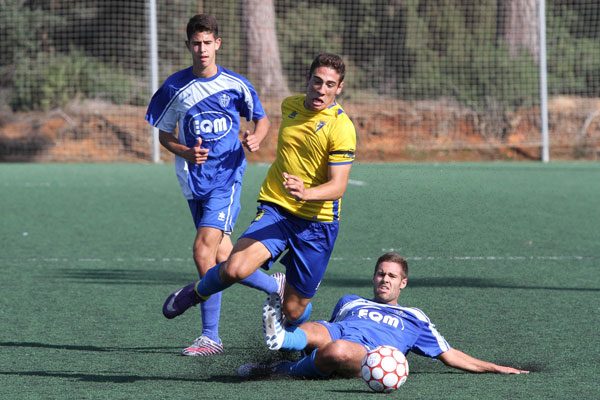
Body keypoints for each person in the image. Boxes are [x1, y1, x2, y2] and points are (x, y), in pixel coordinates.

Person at [162, 53, 357, 335]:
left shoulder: (342, 127)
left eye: (329, 84)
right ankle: (195, 293)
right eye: (317, 81)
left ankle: (299, 338)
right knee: (235, 267)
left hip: (318, 223)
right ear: (308, 79)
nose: (321, 89)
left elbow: (338, 186)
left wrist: (305, 192)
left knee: (293, 311)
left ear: (339, 88)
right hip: (278, 209)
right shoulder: (290, 106)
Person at [145, 14, 280, 356]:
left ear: (217, 44)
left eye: (208, 43)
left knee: (202, 250)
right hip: (193, 183)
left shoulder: (235, 84)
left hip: (227, 179)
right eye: (196, 43)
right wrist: (185, 152)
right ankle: (274, 285)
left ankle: (210, 336)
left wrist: (256, 139)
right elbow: (164, 136)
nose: (202, 49)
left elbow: (261, 120)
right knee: (225, 259)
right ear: (187, 44)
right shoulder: (175, 88)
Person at [238, 253, 530, 378]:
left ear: (403, 283)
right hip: (340, 332)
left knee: (337, 350)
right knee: (316, 329)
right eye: (380, 274)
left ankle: (280, 369)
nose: (384, 280)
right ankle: (281, 338)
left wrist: (496, 368)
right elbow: (331, 327)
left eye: (391, 276)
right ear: (374, 277)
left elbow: (450, 354)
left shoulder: (416, 318)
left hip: (364, 353)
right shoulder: (350, 301)